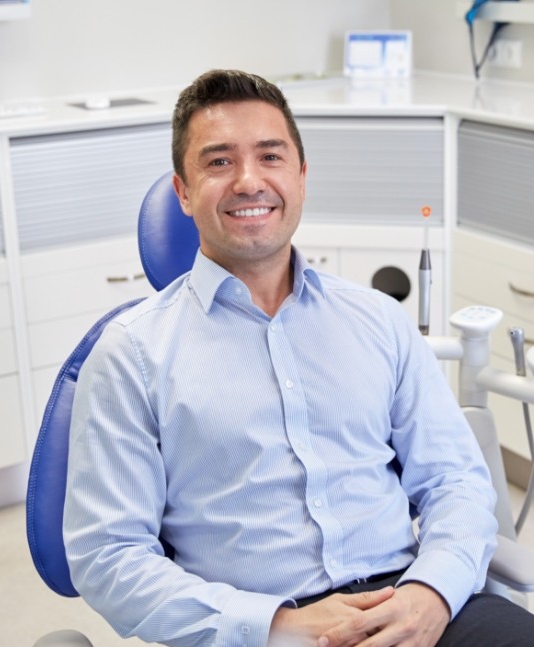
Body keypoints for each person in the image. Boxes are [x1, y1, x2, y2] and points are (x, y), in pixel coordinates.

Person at [63, 69, 534, 647]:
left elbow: (455, 479)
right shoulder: (131, 354)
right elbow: (108, 556)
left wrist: (432, 591)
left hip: (412, 603)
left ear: (302, 177)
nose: (248, 181)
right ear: (183, 192)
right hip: (258, 626)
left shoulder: (378, 320)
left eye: (270, 156)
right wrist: (279, 627)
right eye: (218, 162)